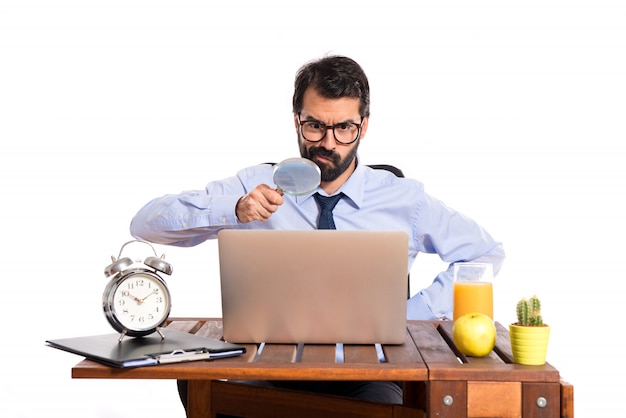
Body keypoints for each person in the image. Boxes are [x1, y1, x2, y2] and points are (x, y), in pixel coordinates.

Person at [130, 55, 505, 408]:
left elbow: (485, 253)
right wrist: (232, 209)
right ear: (297, 121)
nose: (328, 143)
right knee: (203, 389)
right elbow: (145, 224)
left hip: (367, 375)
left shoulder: (405, 199)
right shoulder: (256, 184)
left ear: (364, 125)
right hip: (267, 366)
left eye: (344, 127)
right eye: (315, 126)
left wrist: (413, 315)